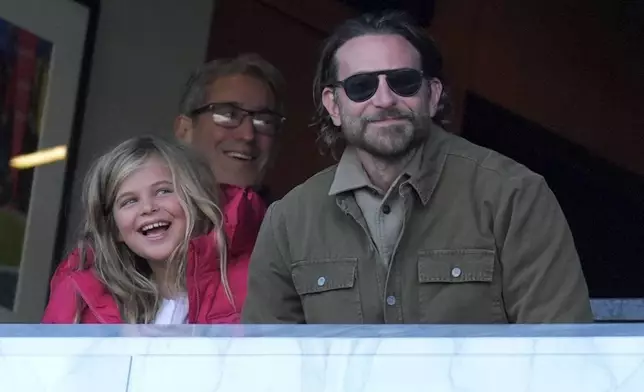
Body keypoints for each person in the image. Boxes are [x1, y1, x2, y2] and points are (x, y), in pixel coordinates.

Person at [242, 11, 594, 324]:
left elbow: (560, 360)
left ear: (433, 94)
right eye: (361, 86)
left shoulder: (514, 196)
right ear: (333, 105)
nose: (384, 99)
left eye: (403, 81)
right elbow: (268, 368)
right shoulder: (288, 220)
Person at [42, 136, 264, 323]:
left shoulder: (255, 282)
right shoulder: (82, 302)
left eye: (163, 191)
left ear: (196, 201)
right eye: (129, 201)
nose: (148, 208)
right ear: (115, 229)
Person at [173, 53, 287, 204]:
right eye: (229, 115)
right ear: (185, 130)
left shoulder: (289, 224)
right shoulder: (145, 214)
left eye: (264, 121)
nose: (248, 135)